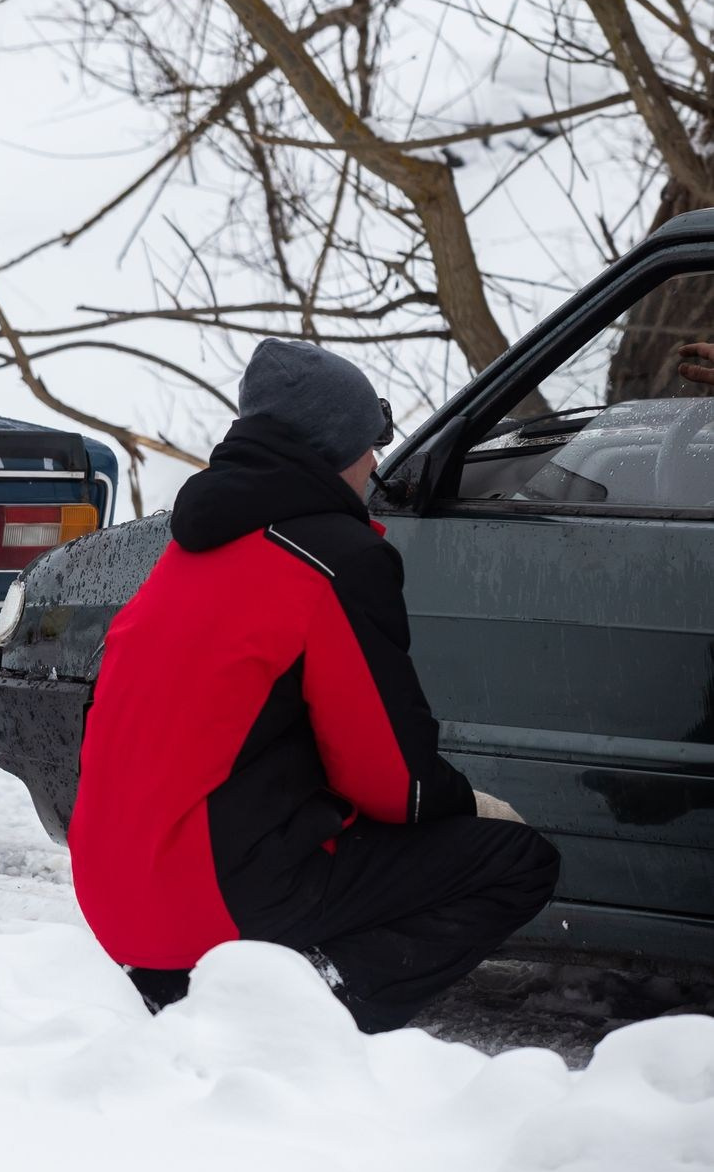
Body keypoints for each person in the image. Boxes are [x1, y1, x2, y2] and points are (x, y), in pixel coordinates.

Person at [68, 339, 560, 1033]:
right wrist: (467, 804)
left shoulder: (190, 550)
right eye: (374, 440)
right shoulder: (335, 559)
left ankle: (187, 989)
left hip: (116, 898)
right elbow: (393, 782)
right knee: (517, 861)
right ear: (338, 449)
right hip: (207, 903)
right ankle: (298, 1016)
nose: (378, 462)